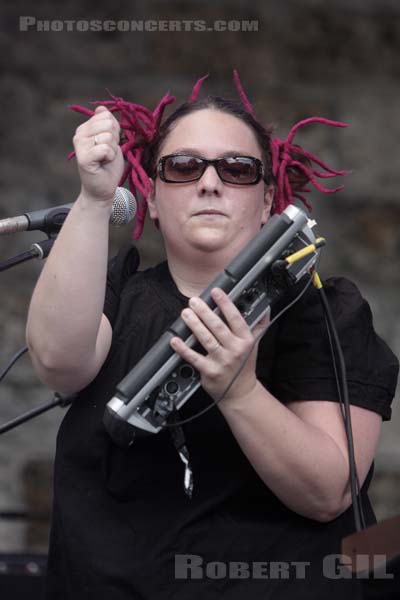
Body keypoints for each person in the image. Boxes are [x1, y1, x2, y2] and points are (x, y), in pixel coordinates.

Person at [25, 72, 398, 599]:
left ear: (268, 201)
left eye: (237, 169)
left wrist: (238, 390)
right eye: (183, 166)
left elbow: (328, 492)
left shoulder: (322, 312)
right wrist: (93, 197)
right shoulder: (114, 292)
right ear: (151, 199)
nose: (209, 182)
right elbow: (59, 361)